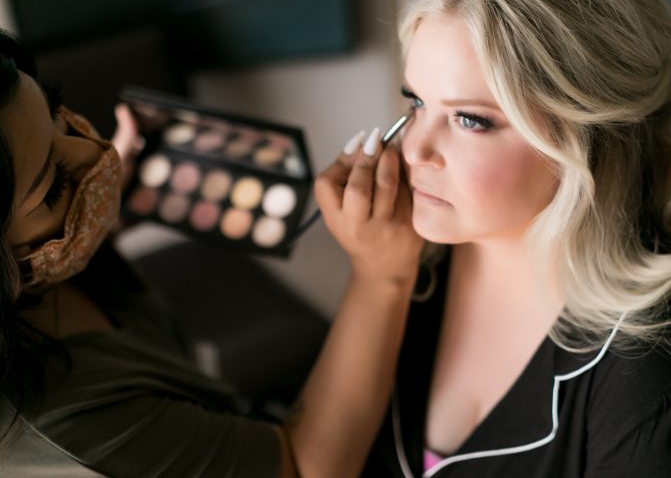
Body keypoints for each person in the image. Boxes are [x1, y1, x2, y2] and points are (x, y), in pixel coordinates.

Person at [357, 0, 671, 476]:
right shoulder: (405, 269)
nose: (413, 150)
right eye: (416, 103)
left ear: (585, 137)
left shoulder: (664, 375)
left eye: (470, 120)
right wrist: (376, 279)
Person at [0, 28, 424, 476]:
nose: (95, 153)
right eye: (53, 188)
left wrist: (103, 214)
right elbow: (306, 468)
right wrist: (382, 275)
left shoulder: (45, 264)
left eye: (57, 116)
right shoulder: (64, 421)